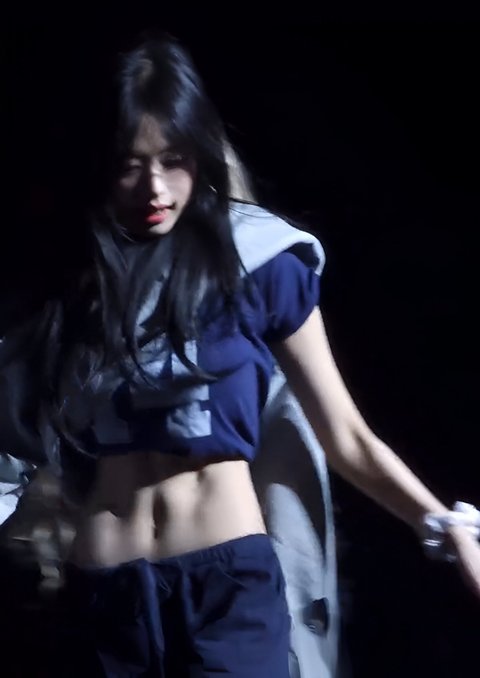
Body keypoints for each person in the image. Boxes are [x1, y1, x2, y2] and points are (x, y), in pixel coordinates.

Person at [1, 32, 479, 678]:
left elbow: (346, 435)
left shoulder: (257, 260)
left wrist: (444, 525)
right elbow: (11, 442)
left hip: (225, 589)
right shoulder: (69, 286)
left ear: (199, 152)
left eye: (173, 159)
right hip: (107, 597)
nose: (154, 187)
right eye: (130, 164)